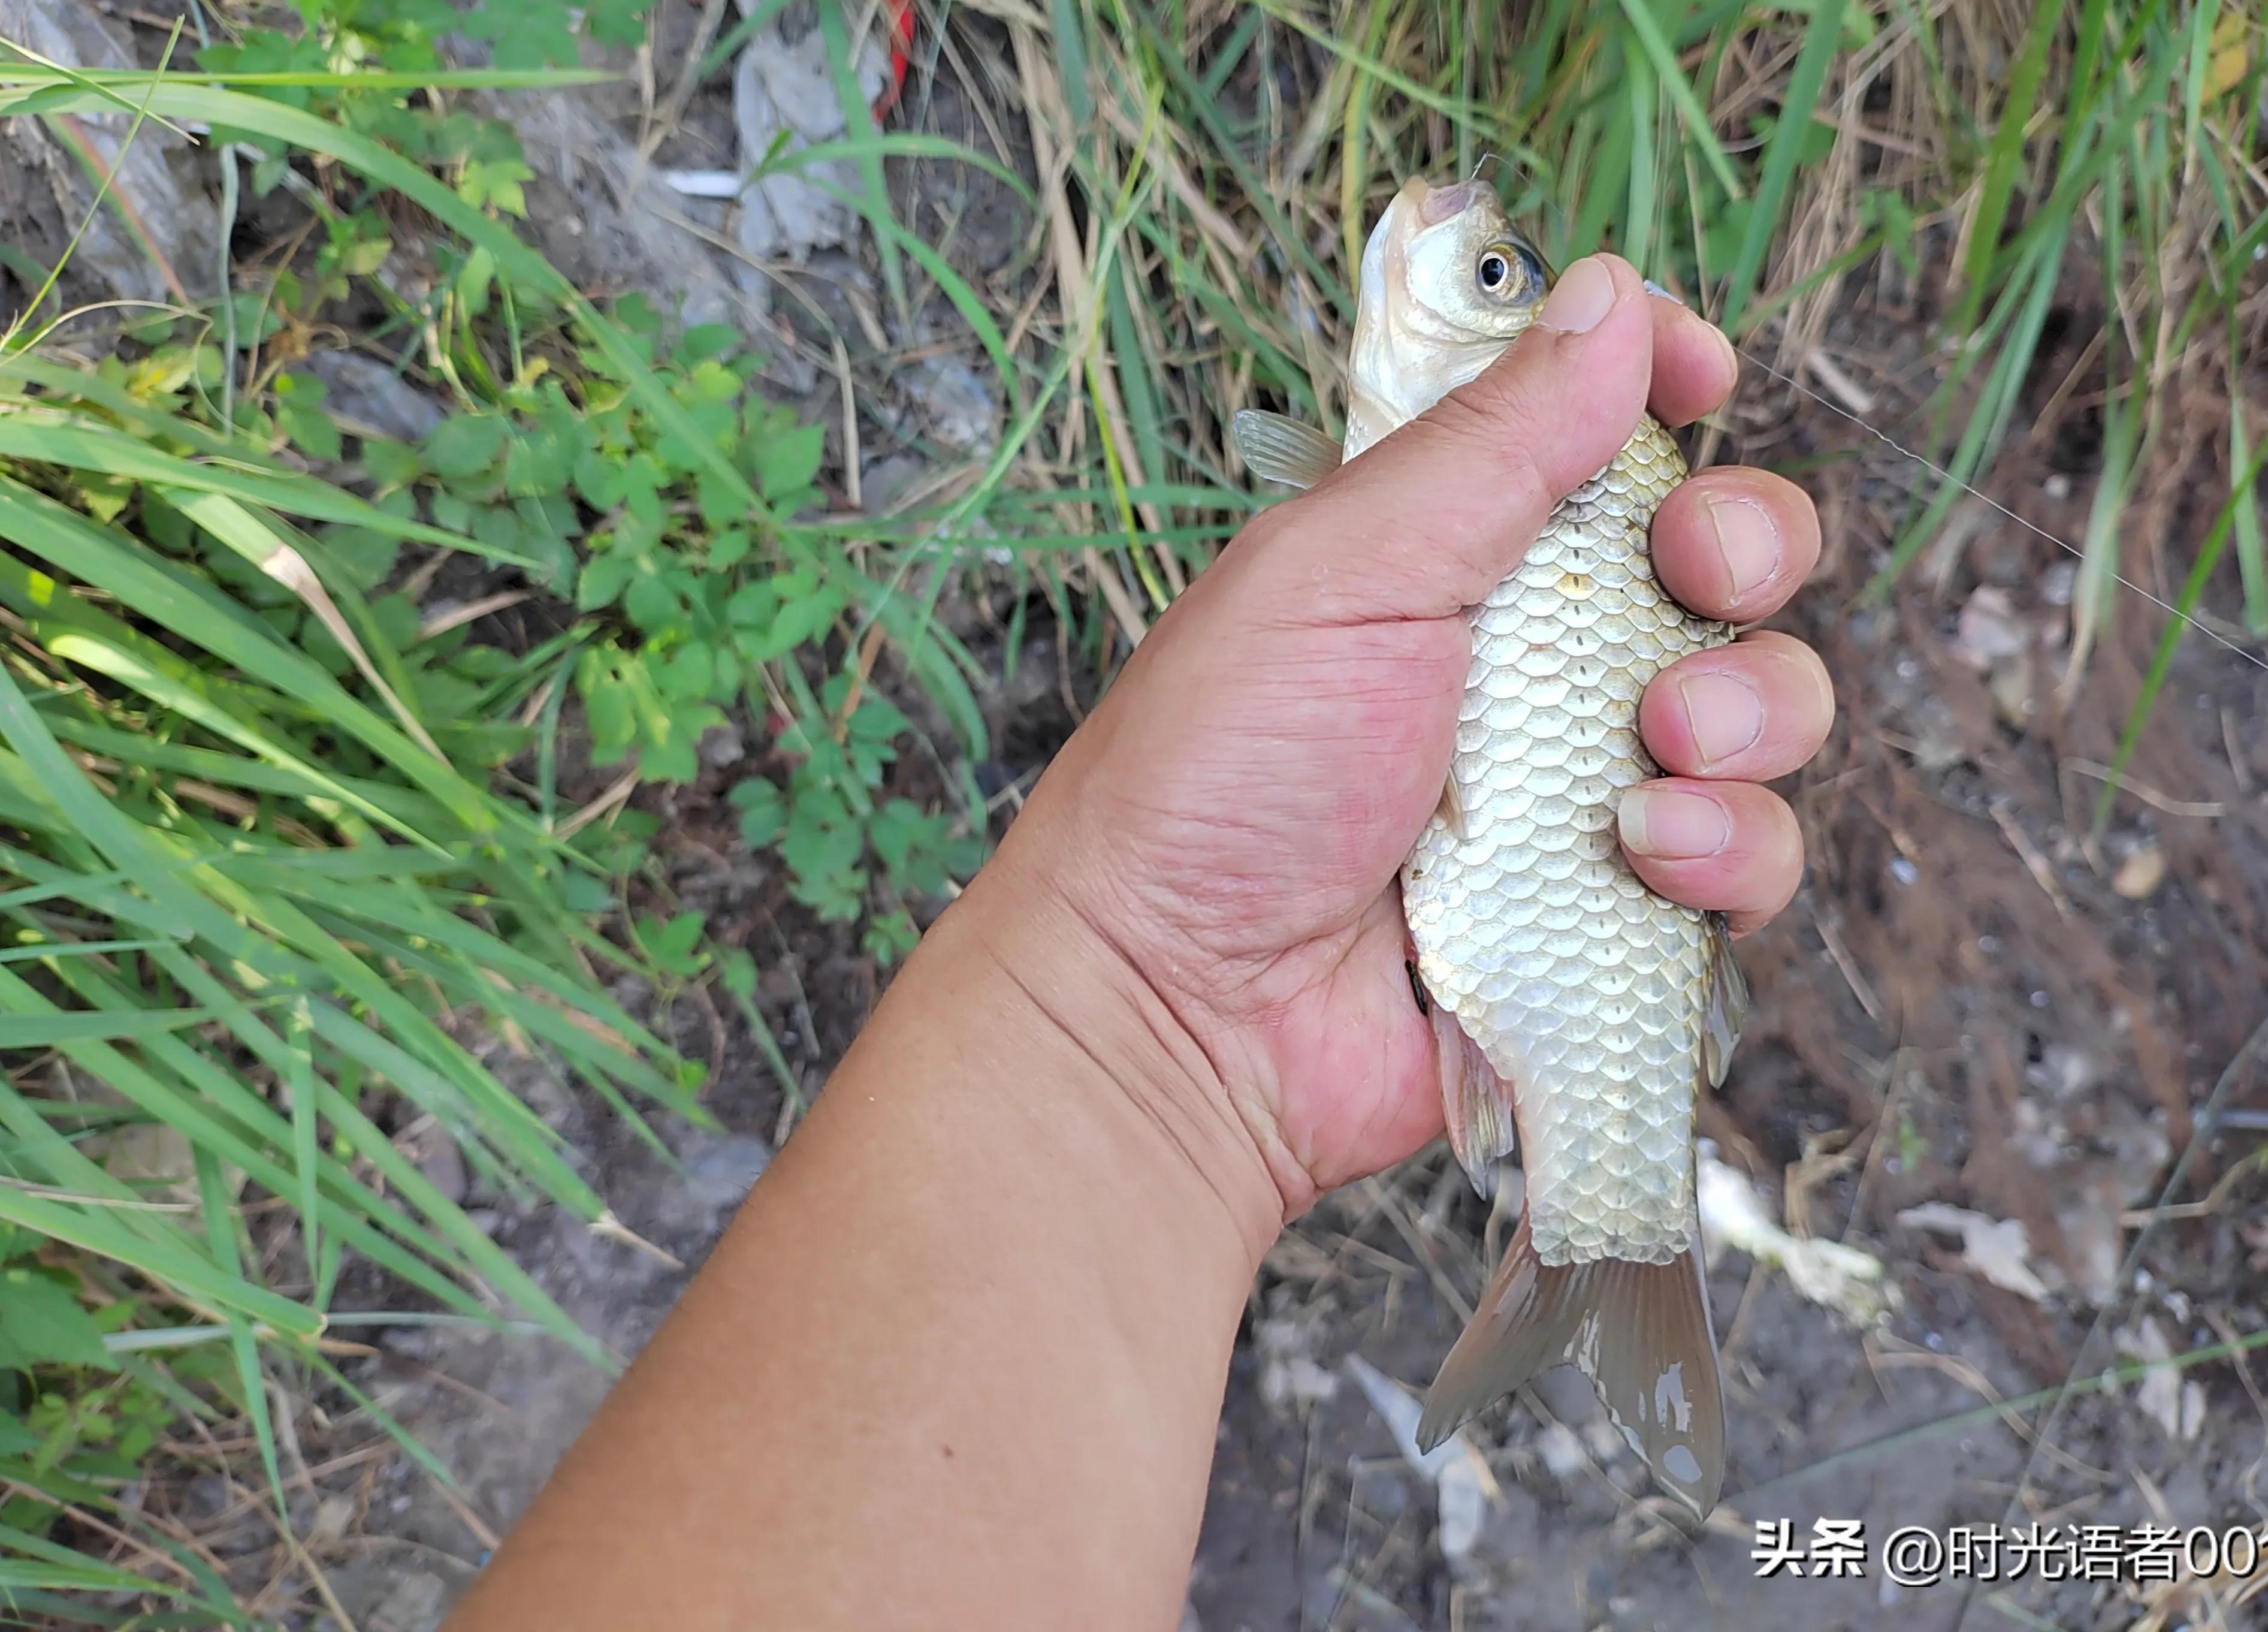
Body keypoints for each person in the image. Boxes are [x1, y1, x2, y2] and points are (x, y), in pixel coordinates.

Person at [445, 258, 1833, 1630]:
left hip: (1423, 932)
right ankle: (1600, 1243)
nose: (1458, 263)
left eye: (1487, 276)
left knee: (1679, 782)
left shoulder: (1571, 476)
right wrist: (1150, 994)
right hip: (1342, 946)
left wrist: (1144, 1011)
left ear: (1544, 359)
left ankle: (1607, 1236)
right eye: (1492, 277)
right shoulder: (1452, 468)